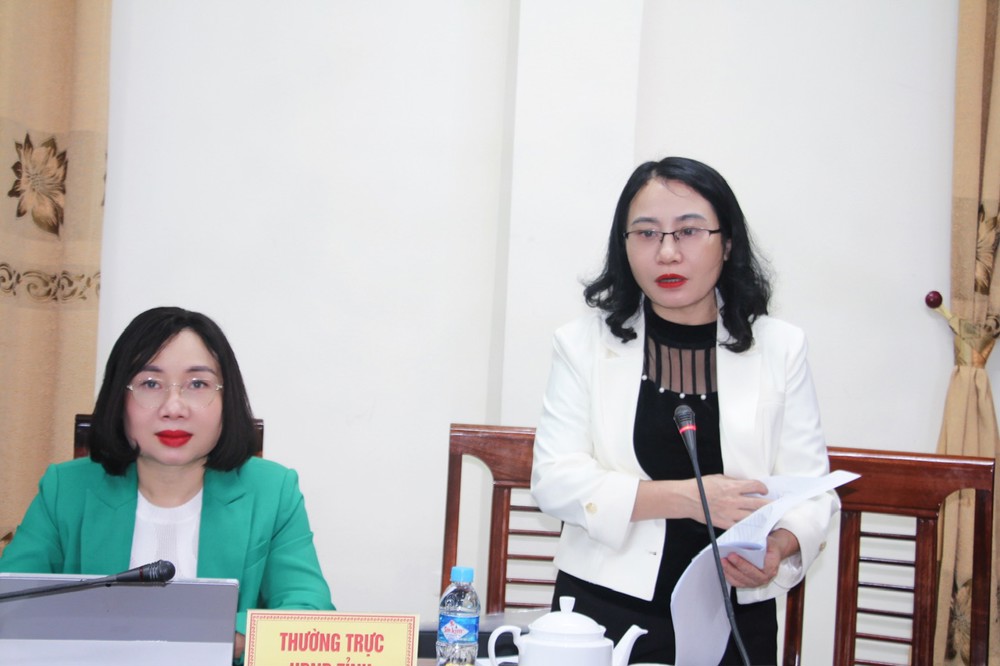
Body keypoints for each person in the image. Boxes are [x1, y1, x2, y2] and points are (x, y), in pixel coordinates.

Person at [530, 157, 836, 665]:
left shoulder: (780, 348)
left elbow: (810, 488)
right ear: (624, 244)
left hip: (734, 603)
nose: (667, 252)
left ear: (727, 242)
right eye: (647, 233)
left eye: (689, 231)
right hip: (605, 609)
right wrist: (691, 499)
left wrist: (779, 547)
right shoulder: (582, 344)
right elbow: (555, 480)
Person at [0, 306, 334, 663]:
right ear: (119, 398)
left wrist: (216, 634)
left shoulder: (273, 491)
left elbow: (308, 616)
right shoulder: (65, 488)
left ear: (227, 399)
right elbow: (9, 604)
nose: (173, 407)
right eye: (150, 384)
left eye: (198, 384)